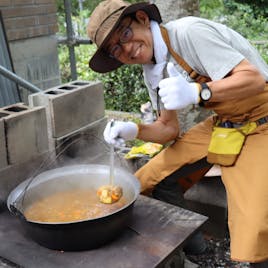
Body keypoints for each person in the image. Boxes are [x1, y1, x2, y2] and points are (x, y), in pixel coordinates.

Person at [87, 0, 268, 266]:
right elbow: (168, 129)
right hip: (227, 121)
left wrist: (198, 92)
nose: (127, 49)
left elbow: (253, 79)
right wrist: (133, 130)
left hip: (262, 119)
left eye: (124, 34)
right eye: (115, 49)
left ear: (141, 18)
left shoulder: (189, 33)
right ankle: (197, 248)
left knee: (253, 227)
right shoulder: (153, 70)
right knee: (150, 180)